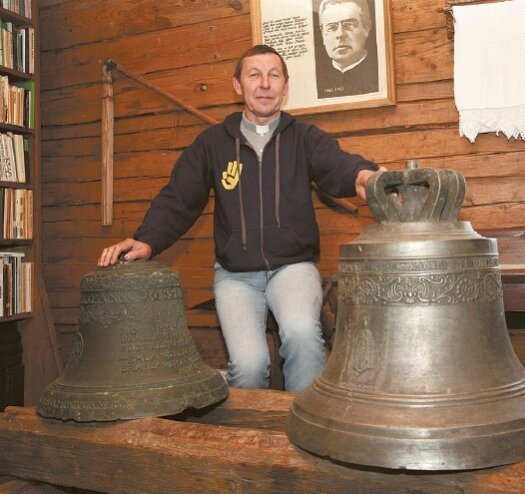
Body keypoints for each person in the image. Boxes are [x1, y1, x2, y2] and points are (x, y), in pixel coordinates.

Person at [98, 44, 380, 392]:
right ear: (238, 86)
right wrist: (147, 239)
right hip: (236, 277)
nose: (264, 83)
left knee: (303, 337)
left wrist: (363, 176)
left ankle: (306, 435)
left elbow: (337, 165)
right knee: (248, 367)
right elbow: (179, 198)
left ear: (285, 86)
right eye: (254, 75)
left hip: (293, 267)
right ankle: (251, 439)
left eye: (274, 75)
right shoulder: (213, 144)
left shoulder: (304, 139)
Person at [315, 0, 379, 99]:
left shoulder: (378, 74)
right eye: (332, 28)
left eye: (349, 25)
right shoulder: (316, 80)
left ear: (366, 27)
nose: (340, 34)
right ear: (323, 33)